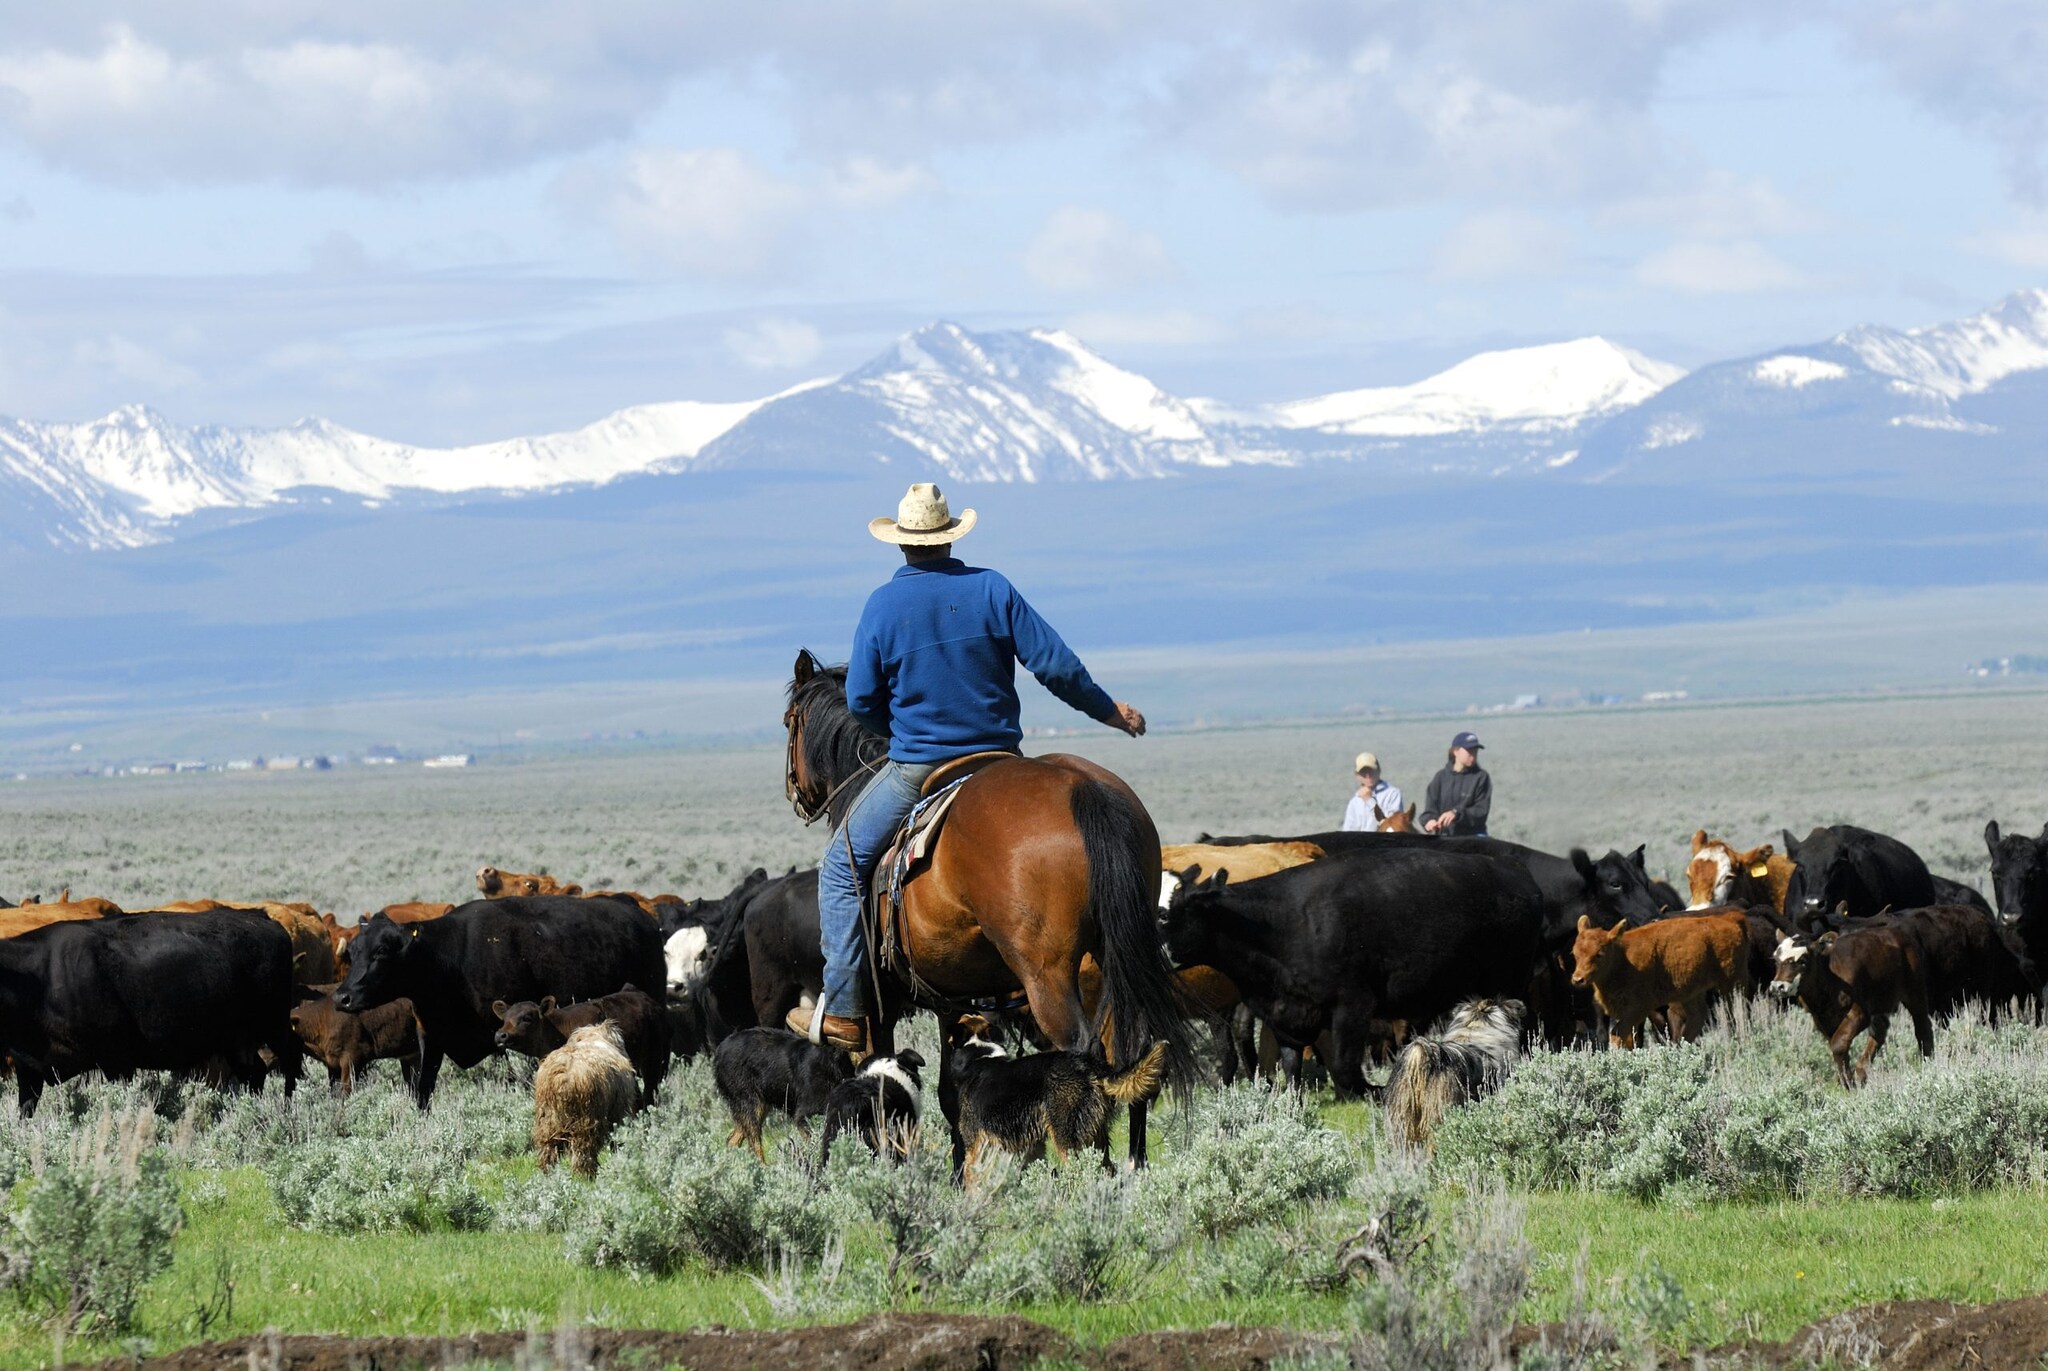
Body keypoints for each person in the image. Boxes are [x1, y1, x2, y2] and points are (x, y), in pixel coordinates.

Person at [787, 482, 1147, 1051]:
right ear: (951, 537)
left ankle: (848, 1012)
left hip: (919, 768)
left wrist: (898, 730)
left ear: (902, 544)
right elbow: (1054, 664)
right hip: (1000, 757)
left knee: (840, 868)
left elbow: (858, 699)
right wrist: (1108, 711)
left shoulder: (882, 605)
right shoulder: (992, 587)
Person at [1419, 731, 1491, 837]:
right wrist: (1429, 821)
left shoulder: (1481, 777)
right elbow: (1430, 809)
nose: (1473, 754)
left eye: (1475, 751)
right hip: (1445, 836)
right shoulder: (1440, 777)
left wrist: (1457, 813)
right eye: (1469, 750)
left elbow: (1481, 811)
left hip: (1474, 836)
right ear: (1455, 751)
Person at [1340, 752, 1403, 832]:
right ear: (1357, 775)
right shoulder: (1354, 802)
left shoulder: (1392, 794)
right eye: (1363, 772)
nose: (1368, 775)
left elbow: (1392, 826)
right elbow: (1348, 831)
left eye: (1371, 770)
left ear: (1379, 770)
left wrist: (1370, 801)